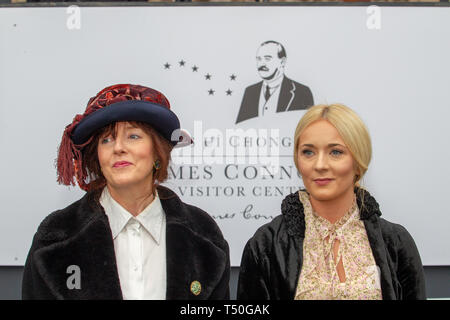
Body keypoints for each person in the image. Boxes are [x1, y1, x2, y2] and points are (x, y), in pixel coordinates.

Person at [22, 84, 230, 300]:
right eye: (106, 139)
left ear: (158, 152)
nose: (118, 147)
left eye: (133, 136)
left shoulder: (204, 236)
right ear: (98, 158)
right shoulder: (56, 237)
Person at [237, 104, 426, 300]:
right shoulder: (266, 245)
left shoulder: (395, 242)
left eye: (335, 152)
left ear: (358, 161)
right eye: (308, 152)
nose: (319, 165)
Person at [235, 40, 314, 124]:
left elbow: (308, 130)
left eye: (267, 58)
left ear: (282, 62)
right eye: (259, 59)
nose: (262, 64)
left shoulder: (302, 92)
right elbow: (241, 127)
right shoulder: (250, 92)